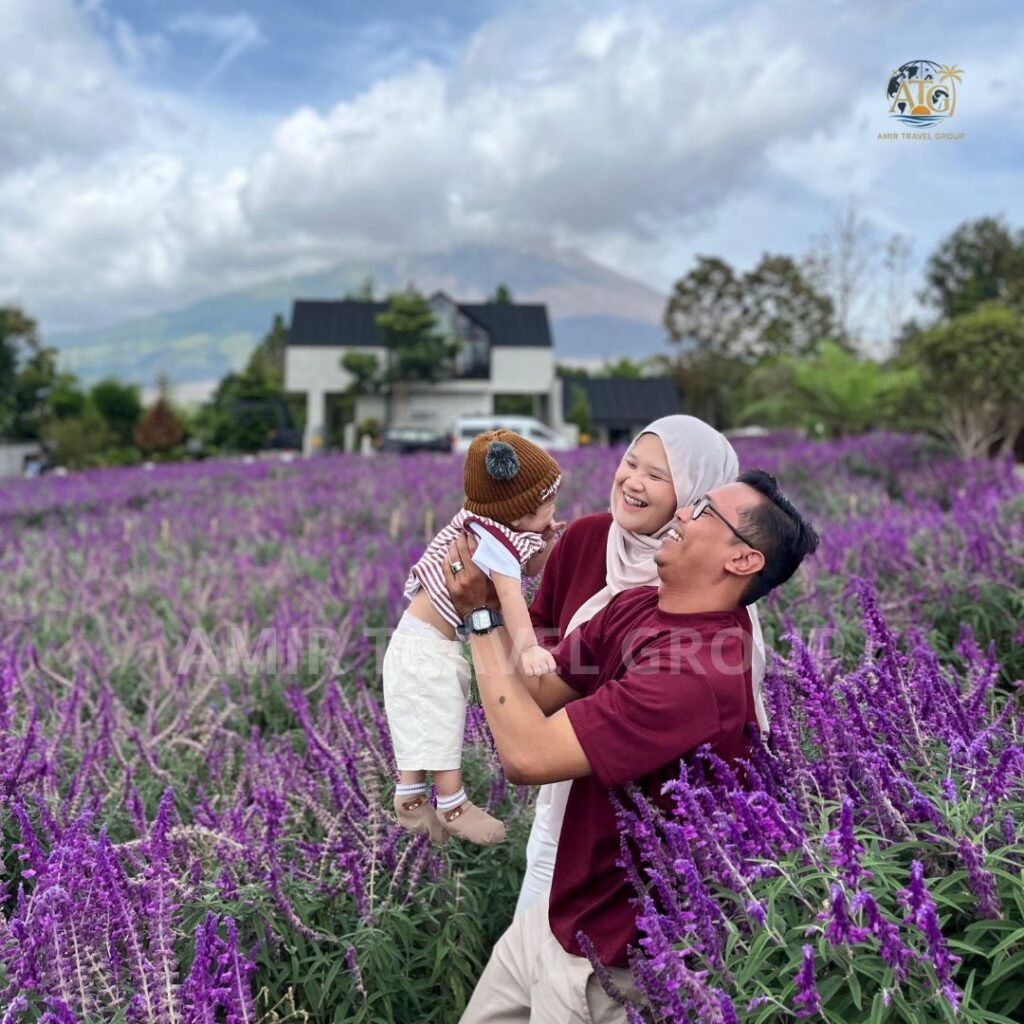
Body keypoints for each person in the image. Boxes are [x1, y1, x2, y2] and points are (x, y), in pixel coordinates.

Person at [448, 469, 819, 1022]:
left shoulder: (693, 675)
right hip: (556, 916)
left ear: (742, 560)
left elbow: (527, 757)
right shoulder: (641, 605)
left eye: (704, 513)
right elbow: (541, 690)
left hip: (612, 963)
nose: (682, 514)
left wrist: (479, 618)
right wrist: (500, 581)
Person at [511, 415, 768, 914]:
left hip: (637, 818)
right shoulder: (586, 537)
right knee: (535, 921)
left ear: (697, 494)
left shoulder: (698, 591)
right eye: (631, 462)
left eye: (657, 475)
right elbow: (542, 622)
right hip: (561, 775)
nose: (633, 481)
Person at [382, 429, 563, 846]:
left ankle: (410, 797)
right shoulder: (495, 543)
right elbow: (511, 596)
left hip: (414, 642)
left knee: (421, 720)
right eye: (546, 508)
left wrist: (544, 540)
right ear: (517, 513)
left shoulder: (481, 522)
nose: (553, 514)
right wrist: (529, 648)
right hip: (427, 648)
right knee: (442, 719)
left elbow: (525, 565)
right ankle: (452, 804)